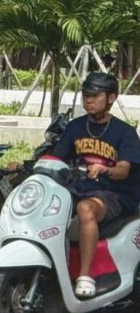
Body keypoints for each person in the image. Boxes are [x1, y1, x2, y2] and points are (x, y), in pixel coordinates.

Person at [42, 72, 140, 298]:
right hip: (80, 187)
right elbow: (57, 159)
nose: (89, 100)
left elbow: (123, 171)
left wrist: (106, 169)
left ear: (111, 98)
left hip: (114, 193)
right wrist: (28, 165)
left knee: (85, 209)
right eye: (86, 95)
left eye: (95, 96)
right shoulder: (75, 127)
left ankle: (85, 276)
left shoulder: (124, 132)